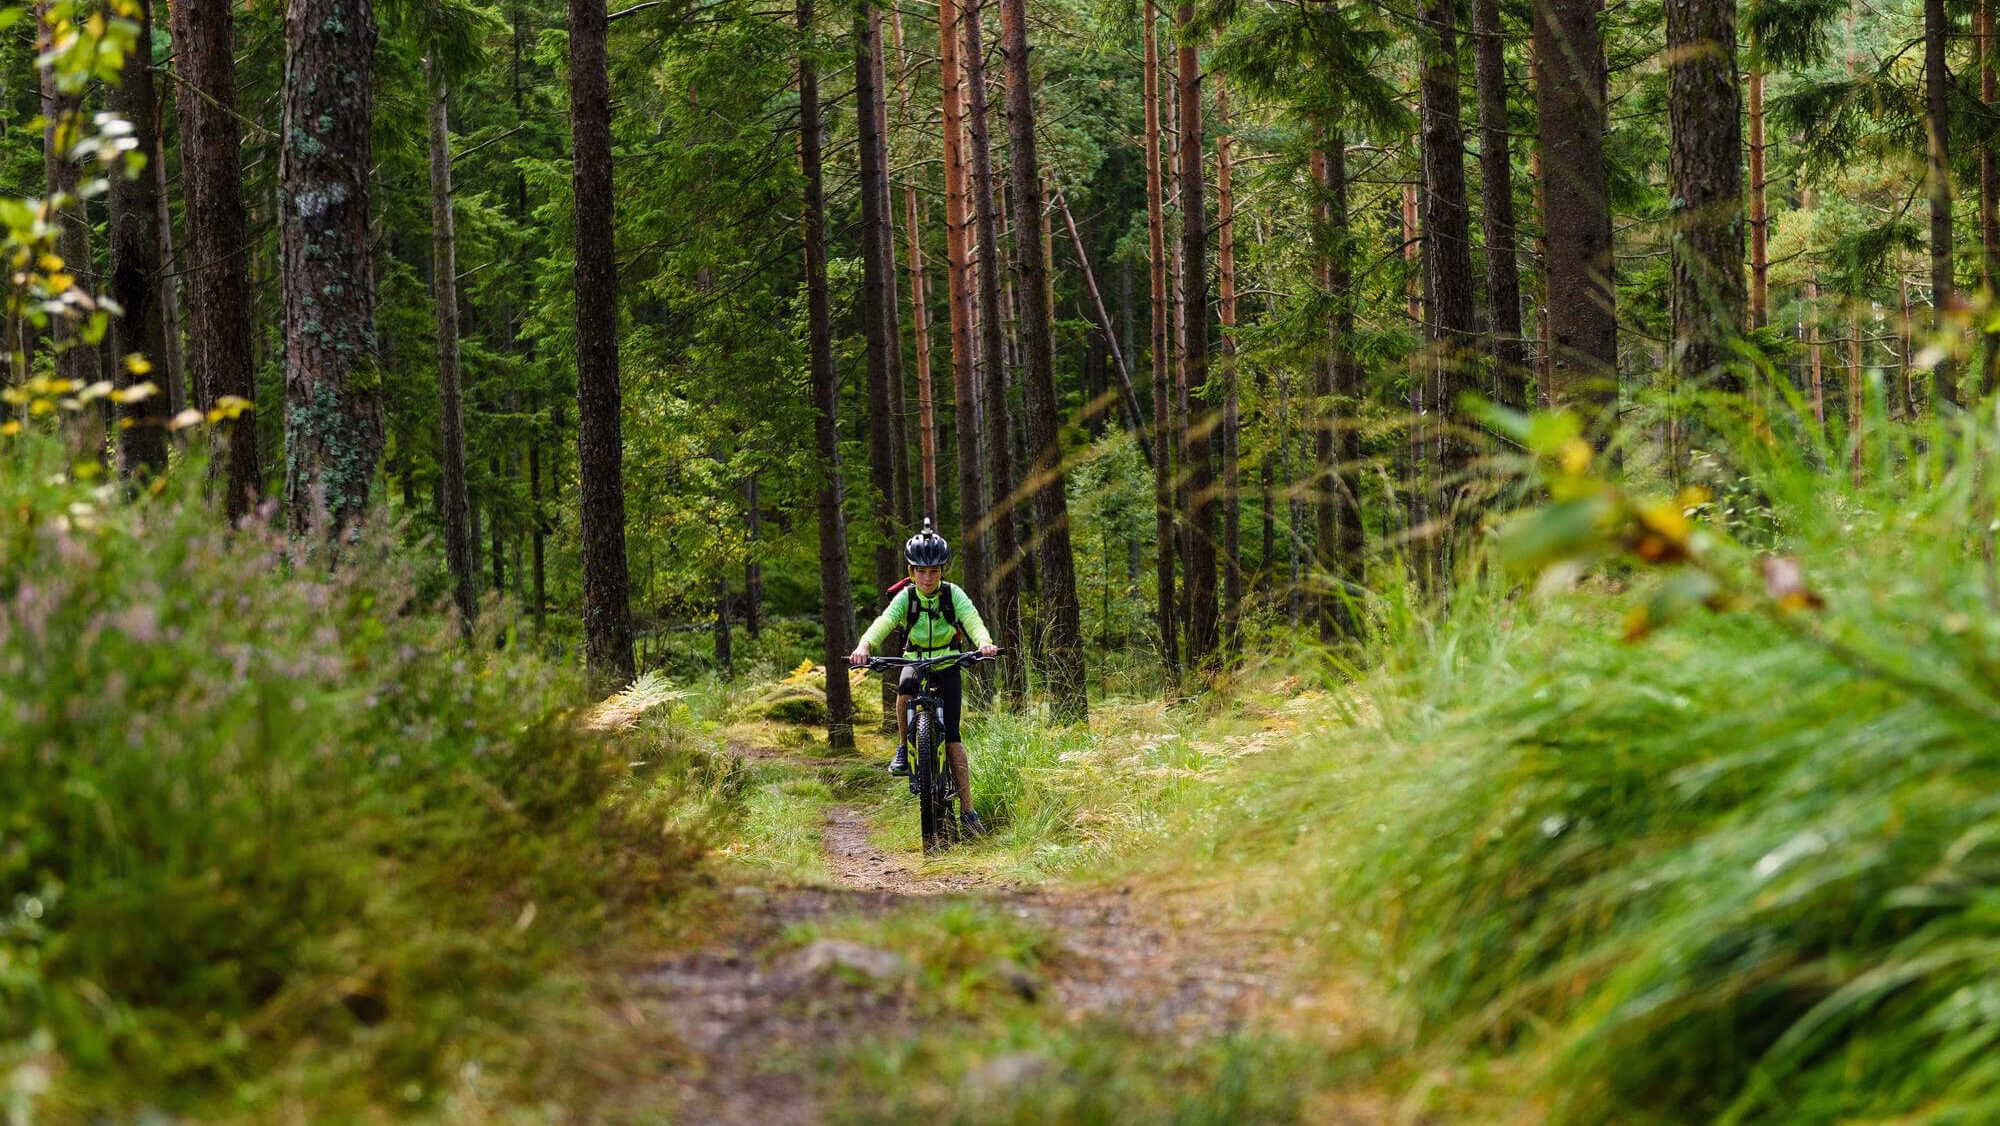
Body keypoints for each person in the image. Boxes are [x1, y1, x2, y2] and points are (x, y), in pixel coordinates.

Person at [849, 519, 999, 838]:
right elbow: (885, 621)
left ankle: (968, 812)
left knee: (954, 739)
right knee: (904, 689)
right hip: (915, 662)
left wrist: (983, 642)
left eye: (933, 571)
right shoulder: (907, 598)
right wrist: (864, 645)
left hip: (947, 663)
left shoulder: (952, 595)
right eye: (921, 570)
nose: (927, 577)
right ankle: (904, 746)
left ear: (942, 570)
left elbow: (972, 620)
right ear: (911, 570)